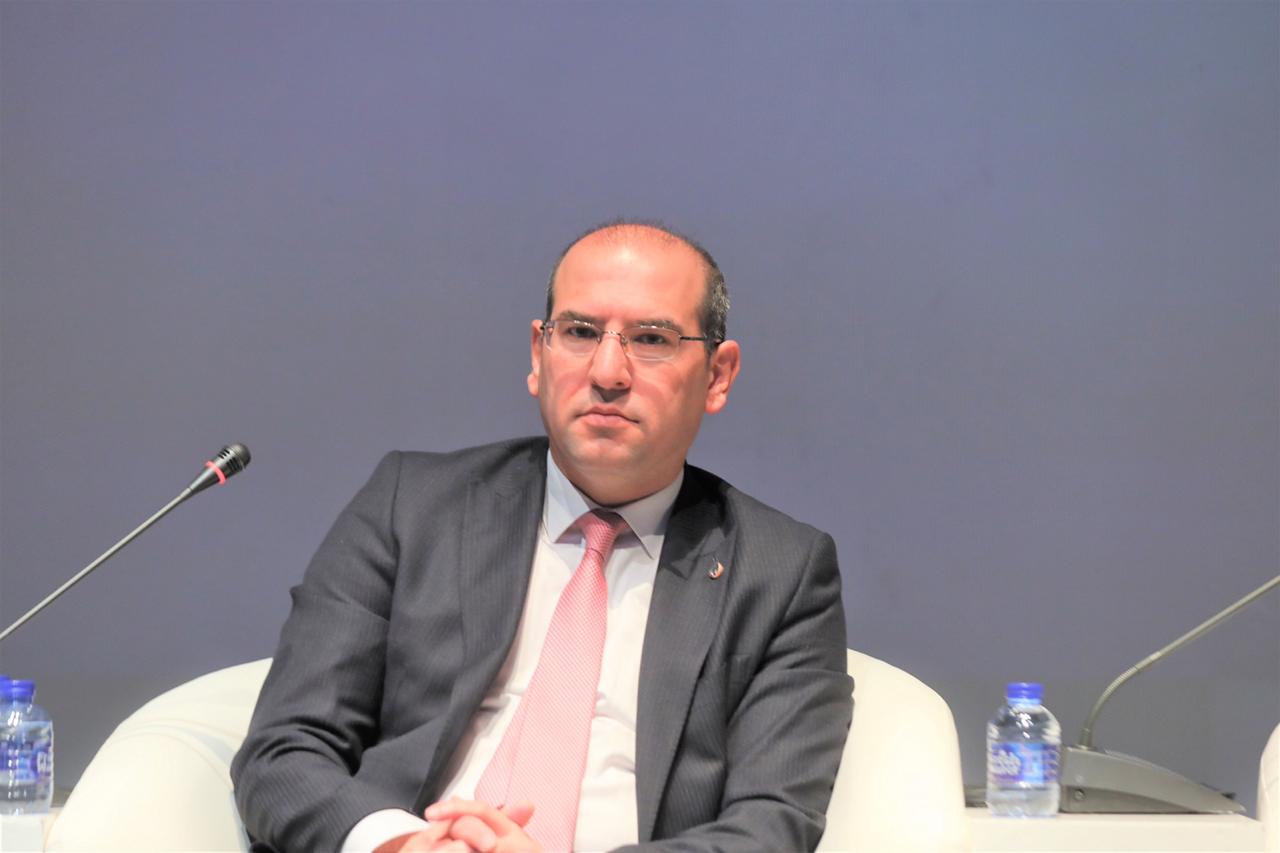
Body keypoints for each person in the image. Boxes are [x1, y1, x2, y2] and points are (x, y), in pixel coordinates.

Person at [231, 221, 852, 853]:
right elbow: (285, 751)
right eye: (580, 333)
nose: (608, 372)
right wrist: (399, 846)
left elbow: (771, 824)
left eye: (651, 339)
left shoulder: (781, 571)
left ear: (718, 375)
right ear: (538, 354)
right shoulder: (412, 505)